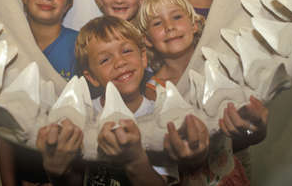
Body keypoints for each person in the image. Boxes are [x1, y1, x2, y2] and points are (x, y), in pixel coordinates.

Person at [37, 16, 210, 185]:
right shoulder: (83, 115)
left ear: (143, 58)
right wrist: (58, 173)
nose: (120, 62)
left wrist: (135, 161)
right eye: (105, 59)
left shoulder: (162, 115)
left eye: (126, 51)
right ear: (91, 77)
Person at [138, 0, 267, 185]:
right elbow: (161, 151)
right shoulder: (153, 90)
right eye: (157, 23)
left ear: (194, 25)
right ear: (147, 39)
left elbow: (243, 136)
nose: (169, 26)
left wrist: (255, 130)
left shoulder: (220, 69)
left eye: (177, 17)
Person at [0, 0, 78, 186]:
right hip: (24, 172)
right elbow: (3, 126)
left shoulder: (80, 46)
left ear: (67, 4)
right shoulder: (8, 46)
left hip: (71, 171)